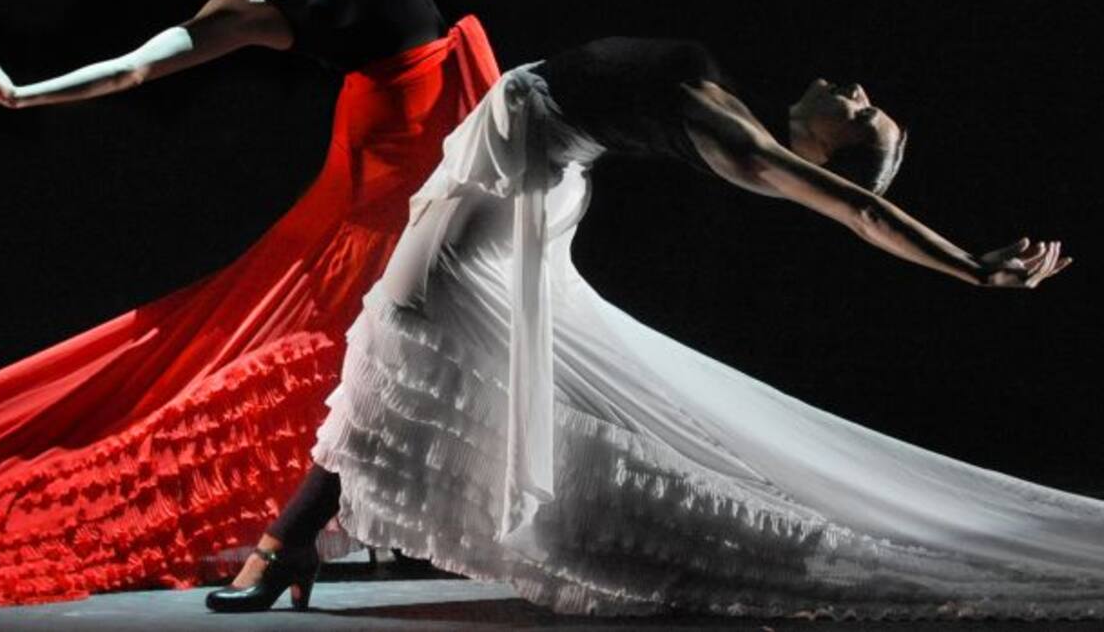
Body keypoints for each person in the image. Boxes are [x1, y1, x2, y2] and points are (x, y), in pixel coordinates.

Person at [207, 37, 1094, 620]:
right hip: (529, 176)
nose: (857, 91)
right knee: (402, 349)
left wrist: (972, 266)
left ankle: (285, 548)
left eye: (862, 115)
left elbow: (862, 213)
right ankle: (288, 548)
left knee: (402, 341)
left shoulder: (739, 140)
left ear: (821, 151)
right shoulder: (737, 101)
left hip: (506, 190)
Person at [0, 0, 500, 612]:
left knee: (432, 315)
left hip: (436, 89)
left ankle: (317, 532)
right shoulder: (246, 8)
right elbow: (139, 67)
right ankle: (302, 527)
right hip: (395, 138)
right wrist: (24, 95)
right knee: (385, 323)